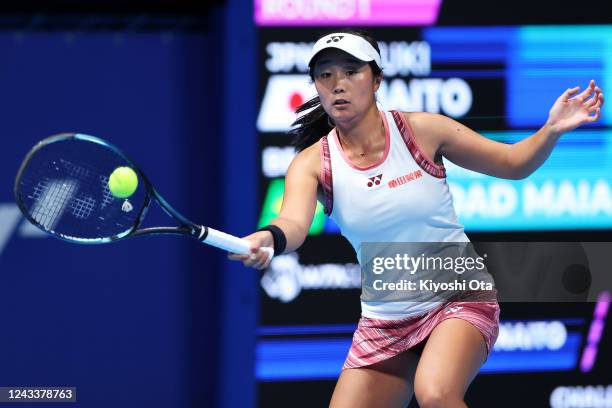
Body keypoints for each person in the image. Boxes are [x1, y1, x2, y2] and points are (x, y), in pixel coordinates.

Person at [229, 28, 604, 407]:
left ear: (376, 79)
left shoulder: (422, 130)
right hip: (386, 319)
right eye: (325, 75)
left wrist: (552, 128)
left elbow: (512, 163)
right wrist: (270, 237)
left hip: (459, 297)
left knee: (436, 393)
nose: (337, 84)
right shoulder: (312, 163)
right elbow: (293, 223)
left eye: (351, 71)